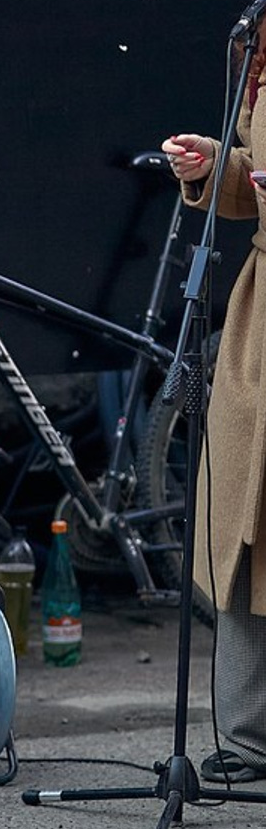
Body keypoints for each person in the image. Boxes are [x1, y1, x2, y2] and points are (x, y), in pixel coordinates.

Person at [164, 68, 266, 787]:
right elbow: (252, 179)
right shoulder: (259, 56)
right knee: (243, 524)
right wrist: (214, 166)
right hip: (260, 317)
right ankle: (250, 738)